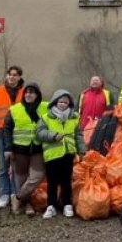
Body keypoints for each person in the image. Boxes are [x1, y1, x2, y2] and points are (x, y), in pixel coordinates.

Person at [37, 90, 86, 218]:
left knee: (66, 181)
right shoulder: (46, 117)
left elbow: (78, 136)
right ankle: (51, 206)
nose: (63, 104)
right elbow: (40, 133)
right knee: (52, 182)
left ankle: (67, 205)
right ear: (55, 102)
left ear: (69, 103)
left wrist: (82, 151)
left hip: (68, 154)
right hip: (52, 155)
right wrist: (53, 136)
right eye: (60, 101)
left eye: (66, 102)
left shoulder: (74, 117)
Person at [2, 83, 47, 216]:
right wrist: (8, 148)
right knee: (20, 178)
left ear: (37, 94)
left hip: (37, 148)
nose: (28, 94)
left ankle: (17, 198)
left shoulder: (45, 107)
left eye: (32, 92)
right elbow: (6, 129)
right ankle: (27, 204)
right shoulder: (15, 109)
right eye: (26, 92)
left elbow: (62, 104)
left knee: (37, 176)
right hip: (19, 149)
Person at [0, 66, 25, 210]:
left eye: (15, 75)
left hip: (20, 132)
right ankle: (4, 193)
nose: (12, 77)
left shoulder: (25, 92)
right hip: (2, 132)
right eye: (10, 74)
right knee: (3, 164)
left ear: (19, 77)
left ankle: (16, 193)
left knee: (18, 165)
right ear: (7, 76)